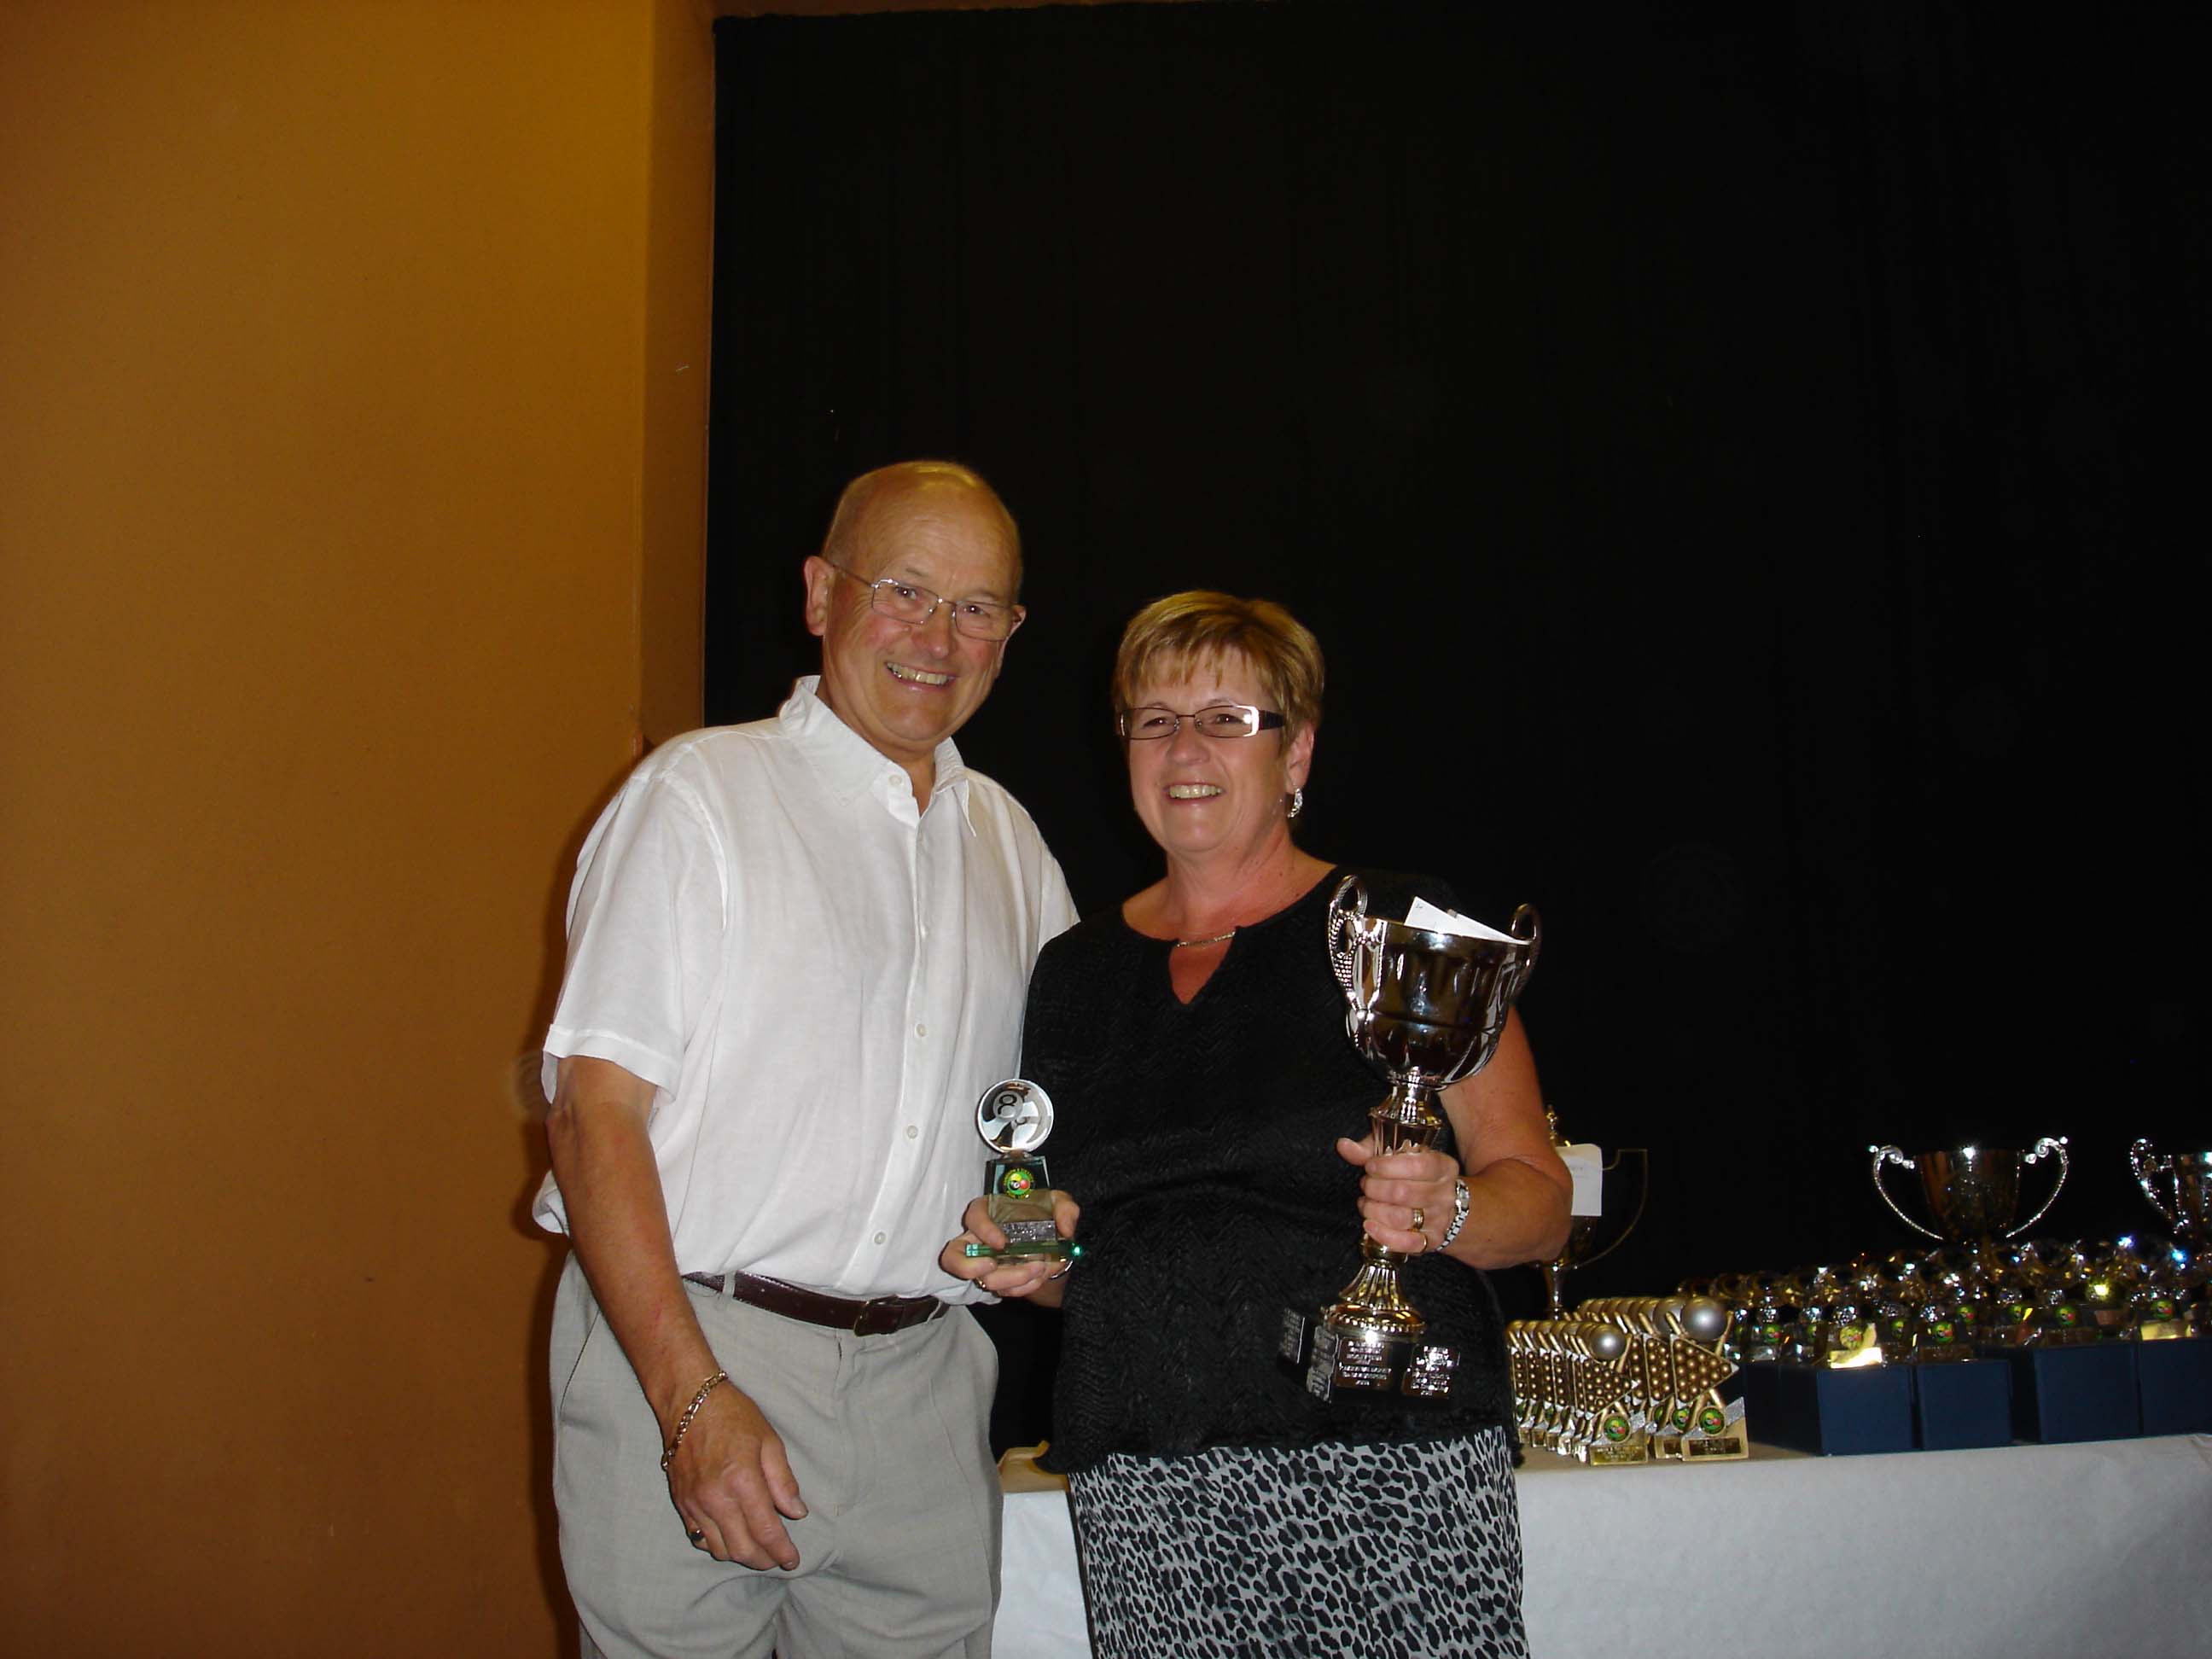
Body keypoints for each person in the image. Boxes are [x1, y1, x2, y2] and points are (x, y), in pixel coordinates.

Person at [943, 591, 1570, 1658]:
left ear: (1298, 754)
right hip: (1146, 1476)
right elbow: (1075, 1258)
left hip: (1385, 1465)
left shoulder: (1408, 926)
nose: (1185, 748)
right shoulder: (1075, 972)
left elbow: (1542, 1206)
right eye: (1154, 720)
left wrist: (1449, 1209)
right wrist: (1030, 1250)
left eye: (1227, 718)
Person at [538, 461, 1077, 1659]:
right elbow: (592, 1118)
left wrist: (1040, 1248)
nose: (939, 637)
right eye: (905, 590)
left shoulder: (1017, 851)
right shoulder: (699, 799)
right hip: (700, 1351)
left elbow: (1032, 1134)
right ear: (821, 593)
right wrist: (690, 1400)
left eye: (979, 606)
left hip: (929, 1394)